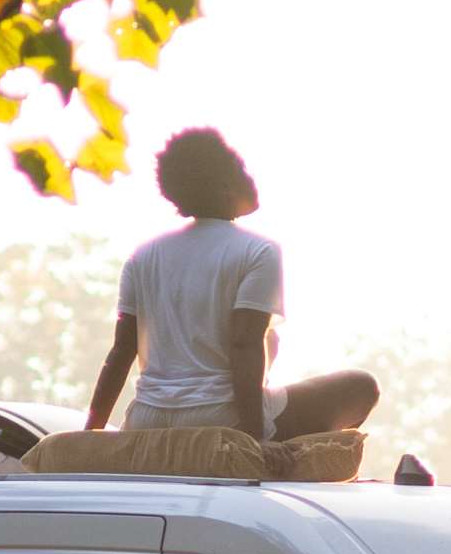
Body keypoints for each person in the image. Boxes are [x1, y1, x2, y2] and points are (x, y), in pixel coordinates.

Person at [88, 128, 379, 440]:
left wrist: (90, 432)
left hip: (147, 417)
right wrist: (252, 435)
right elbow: (244, 344)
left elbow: (121, 352)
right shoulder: (258, 250)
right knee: (360, 386)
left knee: (274, 349)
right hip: (221, 416)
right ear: (226, 186)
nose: (251, 177)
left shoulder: (143, 255)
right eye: (242, 169)